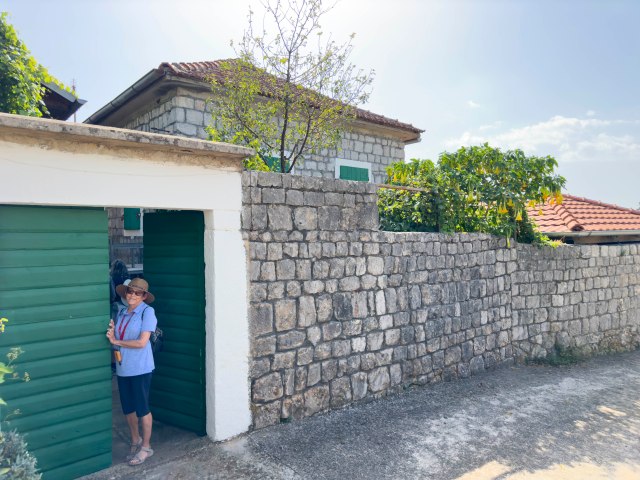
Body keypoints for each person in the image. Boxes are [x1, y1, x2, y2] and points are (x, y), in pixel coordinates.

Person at [106, 277, 157, 466]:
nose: (133, 295)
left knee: (142, 408)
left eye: (138, 293)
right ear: (125, 293)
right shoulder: (121, 312)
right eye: (130, 291)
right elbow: (118, 336)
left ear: (144, 296)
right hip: (123, 368)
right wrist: (113, 333)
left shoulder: (147, 312)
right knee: (128, 408)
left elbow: (142, 342)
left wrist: (117, 341)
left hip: (141, 368)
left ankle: (146, 447)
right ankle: (135, 440)